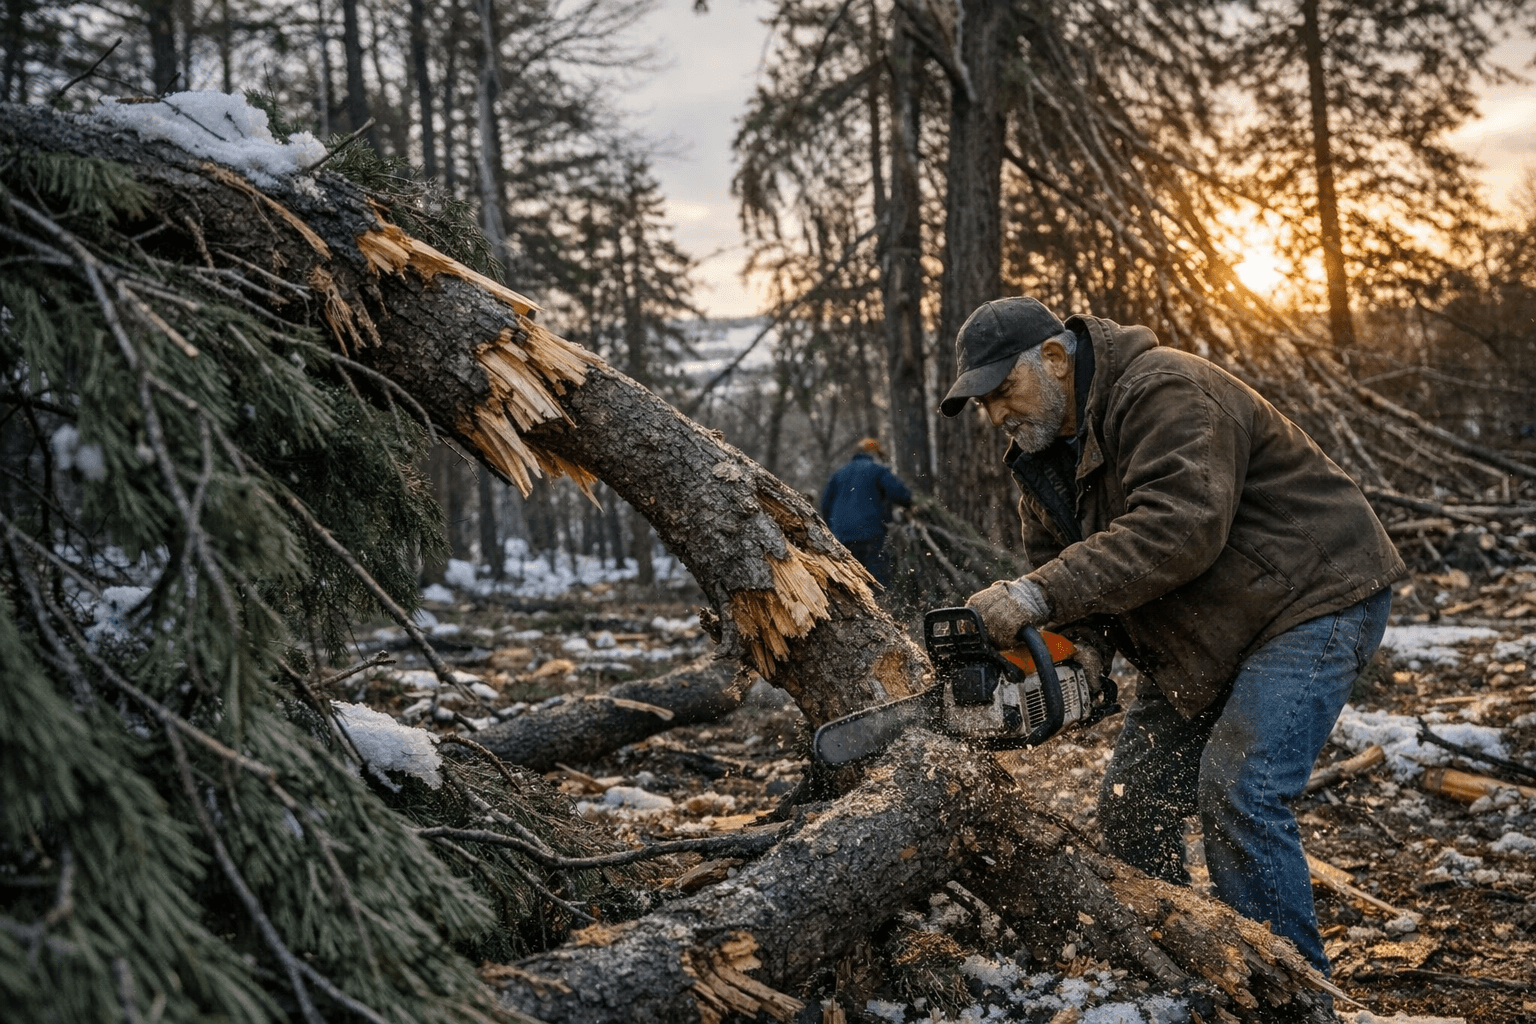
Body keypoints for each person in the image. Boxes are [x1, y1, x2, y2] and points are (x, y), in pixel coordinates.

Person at [939, 296, 1404, 978]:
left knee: (1240, 787)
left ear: (1056, 359)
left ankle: (1292, 990)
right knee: (1134, 806)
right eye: (984, 406)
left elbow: (1179, 527)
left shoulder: (1164, 388)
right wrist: (1077, 663)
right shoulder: (1039, 470)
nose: (997, 415)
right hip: (1205, 632)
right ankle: (1177, 969)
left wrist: (1033, 595)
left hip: (1311, 598)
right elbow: (1077, 598)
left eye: (1002, 392)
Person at [819, 438, 913, 588]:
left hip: (842, 536)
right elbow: (901, 494)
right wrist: (910, 504)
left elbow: (825, 505)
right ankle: (882, 607)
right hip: (870, 533)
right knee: (877, 580)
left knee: (850, 581)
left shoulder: (839, 474)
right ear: (874, 453)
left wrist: (833, 529)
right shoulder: (877, 470)